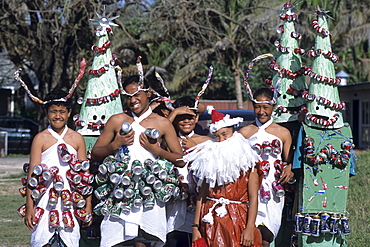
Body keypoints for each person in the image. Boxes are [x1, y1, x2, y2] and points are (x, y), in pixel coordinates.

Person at [91, 75, 184, 247]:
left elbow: (180, 160)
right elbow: (95, 154)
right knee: (117, 241)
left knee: (144, 241)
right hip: (120, 192)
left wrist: (156, 150)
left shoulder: (162, 123)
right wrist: (115, 145)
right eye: (128, 97)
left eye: (136, 95)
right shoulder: (117, 120)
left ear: (148, 93)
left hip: (149, 193)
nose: (132, 100)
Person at [183, 107, 262, 247]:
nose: (221, 140)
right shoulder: (210, 160)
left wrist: (250, 228)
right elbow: (202, 195)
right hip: (210, 220)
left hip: (238, 219)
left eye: (225, 134)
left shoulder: (249, 162)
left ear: (234, 133)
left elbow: (253, 197)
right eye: (217, 136)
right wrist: (195, 227)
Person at [24, 87, 92, 247]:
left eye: (62, 111)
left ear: (69, 113)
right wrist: (29, 205)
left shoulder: (77, 138)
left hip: (70, 201)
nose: (58, 116)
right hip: (45, 200)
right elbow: (32, 175)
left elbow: (84, 175)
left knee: (69, 241)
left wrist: (88, 204)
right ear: (47, 112)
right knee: (43, 241)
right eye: (53, 111)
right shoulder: (40, 138)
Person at [239, 87, 294, 247]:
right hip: (249, 187)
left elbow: (288, 160)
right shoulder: (244, 132)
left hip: (272, 188)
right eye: (257, 107)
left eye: (265, 107)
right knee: (250, 233)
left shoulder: (283, 133)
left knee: (266, 235)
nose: (261, 111)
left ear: (273, 107)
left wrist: (289, 167)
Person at [164, 96, 211, 247]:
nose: (186, 121)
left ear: (197, 118)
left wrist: (195, 146)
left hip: (197, 203)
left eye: (190, 117)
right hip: (173, 204)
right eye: (181, 118)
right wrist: (173, 113)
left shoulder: (206, 141)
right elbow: (156, 144)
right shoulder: (166, 141)